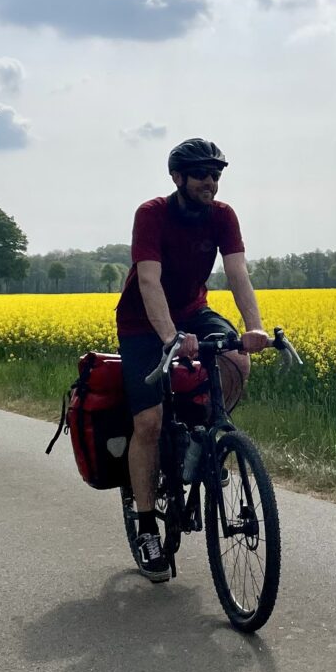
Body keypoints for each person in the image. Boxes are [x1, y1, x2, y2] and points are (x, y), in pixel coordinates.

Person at [115, 138, 270, 582]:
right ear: (178, 177)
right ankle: (147, 527)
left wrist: (253, 327)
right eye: (202, 173)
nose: (211, 181)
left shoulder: (223, 216)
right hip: (143, 322)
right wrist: (168, 337)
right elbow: (148, 279)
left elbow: (237, 271)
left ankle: (206, 439)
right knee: (148, 422)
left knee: (236, 358)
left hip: (193, 310)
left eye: (217, 174)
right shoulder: (152, 214)